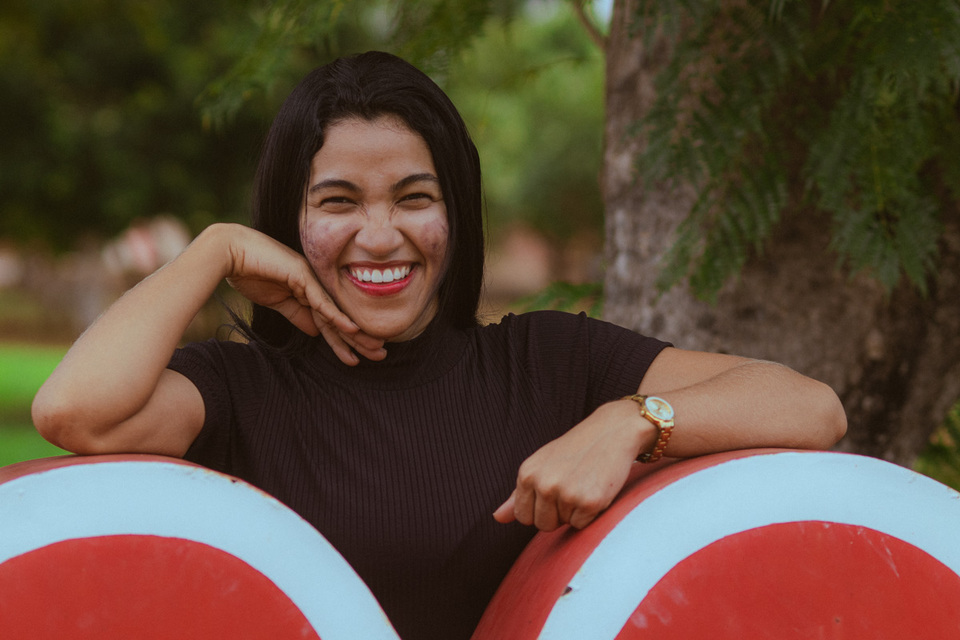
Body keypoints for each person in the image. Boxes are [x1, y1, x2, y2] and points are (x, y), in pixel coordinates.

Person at [32, 51, 847, 640]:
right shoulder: (240, 394)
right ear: (292, 222)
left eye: (413, 198)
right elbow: (74, 413)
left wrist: (631, 420)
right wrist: (215, 251)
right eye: (338, 202)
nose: (380, 236)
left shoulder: (548, 362)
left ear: (454, 217)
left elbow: (812, 409)